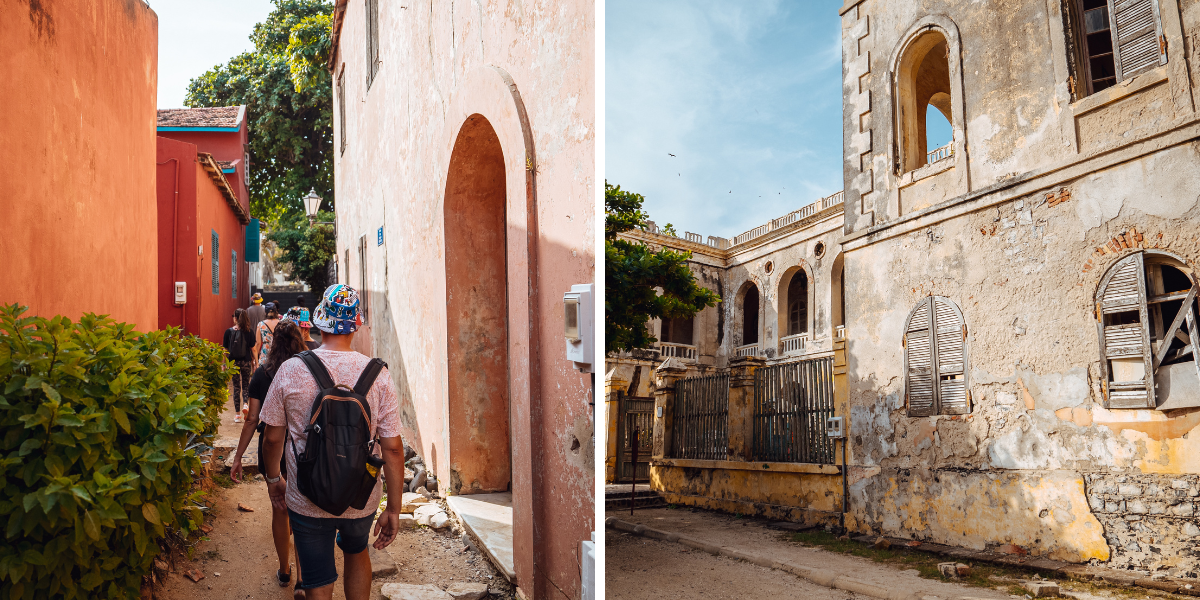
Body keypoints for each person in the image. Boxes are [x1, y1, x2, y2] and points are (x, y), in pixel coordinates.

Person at [260, 285, 405, 600]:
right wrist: (393, 508)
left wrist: (274, 479)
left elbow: (272, 438)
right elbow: (392, 448)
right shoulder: (378, 375)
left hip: (306, 496)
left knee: (317, 579)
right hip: (360, 497)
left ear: (319, 320)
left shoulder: (291, 369)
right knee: (356, 551)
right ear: (356, 325)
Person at [231, 320, 309, 597]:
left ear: (273, 341)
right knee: (301, 512)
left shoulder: (263, 374)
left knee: (279, 509)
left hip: (271, 451)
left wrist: (239, 456)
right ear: (300, 340)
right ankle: (302, 579)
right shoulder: (308, 371)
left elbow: (252, 418)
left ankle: (284, 571)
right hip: (303, 451)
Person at [222, 308, 255, 423]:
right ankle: (245, 404)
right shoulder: (249, 331)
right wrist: (255, 362)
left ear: (235, 318)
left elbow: (225, 350)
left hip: (233, 362)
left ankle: (237, 415)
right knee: (246, 385)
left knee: (236, 387)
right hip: (246, 361)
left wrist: (224, 364)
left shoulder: (228, 332)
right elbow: (253, 349)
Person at [253, 302, 281, 368]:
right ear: (276, 312)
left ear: (265, 312)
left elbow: (258, 343)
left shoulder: (261, 324)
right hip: (278, 352)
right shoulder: (281, 323)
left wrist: (256, 359)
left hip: (265, 353)